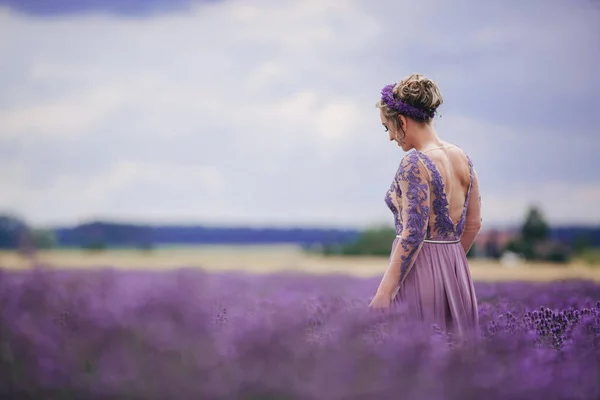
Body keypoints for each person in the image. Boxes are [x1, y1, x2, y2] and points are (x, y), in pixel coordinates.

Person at [368, 73, 482, 337]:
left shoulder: (414, 163)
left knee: (416, 366)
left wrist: (384, 293)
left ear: (403, 121)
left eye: (388, 127)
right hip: (457, 275)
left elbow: (414, 233)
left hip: (419, 274)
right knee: (460, 365)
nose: (390, 137)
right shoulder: (463, 158)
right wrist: (446, 264)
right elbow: (474, 224)